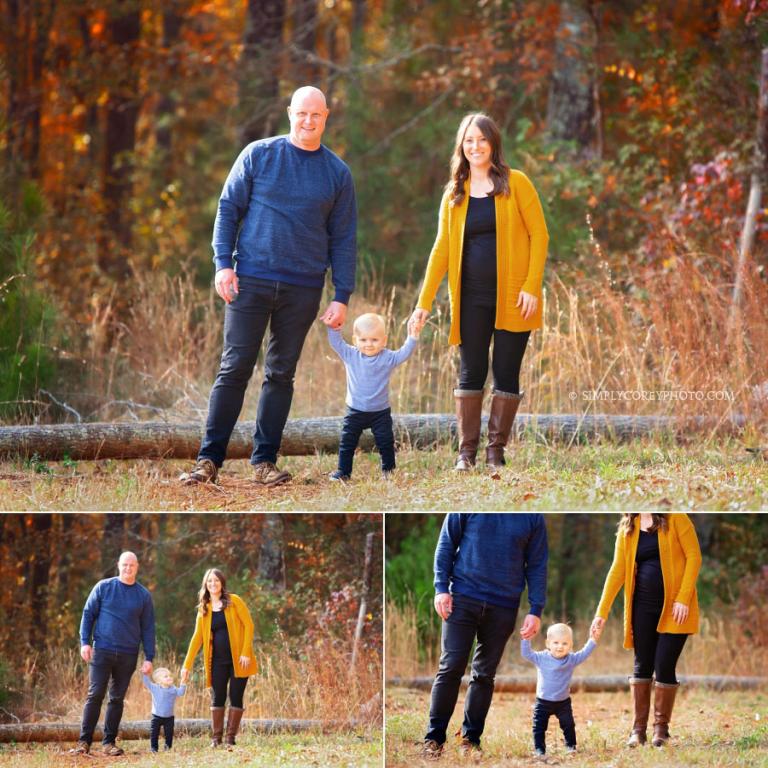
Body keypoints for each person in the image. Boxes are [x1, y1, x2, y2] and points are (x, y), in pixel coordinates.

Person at [180, 85, 357, 488]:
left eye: (316, 115)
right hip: (251, 281)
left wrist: (341, 294)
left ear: (326, 117)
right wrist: (223, 265)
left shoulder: (337, 173)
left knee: (281, 374)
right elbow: (228, 208)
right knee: (234, 368)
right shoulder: (259, 155)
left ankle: (264, 463)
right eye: (301, 113)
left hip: (303, 288)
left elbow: (344, 238)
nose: (308, 121)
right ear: (289, 113)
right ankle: (208, 461)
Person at [409, 113, 548, 475]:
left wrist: (532, 286)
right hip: (470, 298)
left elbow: (539, 236)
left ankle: (495, 452)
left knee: (506, 371)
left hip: (514, 298)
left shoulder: (516, 183)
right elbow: (441, 249)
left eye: (481, 140)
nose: (475, 147)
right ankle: (466, 453)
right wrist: (423, 303)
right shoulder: (454, 192)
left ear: (493, 144)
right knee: (470, 372)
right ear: (461, 147)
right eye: (468, 141)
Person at [421, 513, 548, 759]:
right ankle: (433, 739)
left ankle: (471, 740)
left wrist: (536, 609)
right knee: (450, 668)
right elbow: (446, 543)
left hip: (504, 605)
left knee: (484, 675)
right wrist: (440, 588)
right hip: (462, 598)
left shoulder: (533, 516)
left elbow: (537, 564)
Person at [590, 513, 702, 748]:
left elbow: (694, 557)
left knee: (664, 665)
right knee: (642, 665)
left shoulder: (677, 519)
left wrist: (683, 598)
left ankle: (661, 730)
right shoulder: (627, 530)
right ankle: (638, 730)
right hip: (641, 607)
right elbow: (617, 571)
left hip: (676, 609)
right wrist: (601, 612)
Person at [71, 551, 155, 757]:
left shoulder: (143, 595)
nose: (128, 568)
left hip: (128, 654)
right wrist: (84, 642)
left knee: (116, 699)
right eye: (125, 565)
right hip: (102, 650)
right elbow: (88, 614)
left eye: (132, 565)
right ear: (118, 565)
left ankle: (108, 743)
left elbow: (148, 628)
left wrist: (149, 657)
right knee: (95, 694)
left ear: (137, 567)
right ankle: (84, 742)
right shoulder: (103, 587)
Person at [326, 312, 419, 480]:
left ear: (384, 340)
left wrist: (412, 336)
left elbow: (404, 353)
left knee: (386, 442)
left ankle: (388, 471)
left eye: (374, 340)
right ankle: (343, 472)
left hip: (380, 413)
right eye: (363, 340)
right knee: (347, 442)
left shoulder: (387, 357)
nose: (369, 344)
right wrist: (334, 327)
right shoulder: (351, 355)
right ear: (355, 340)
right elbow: (336, 343)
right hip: (355, 411)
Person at [181, 568, 257, 748]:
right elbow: (196, 639)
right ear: (205, 585)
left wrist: (246, 652)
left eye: (216, 580)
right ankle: (216, 739)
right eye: (209, 581)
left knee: (236, 696)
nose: (213, 584)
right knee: (217, 698)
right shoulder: (204, 609)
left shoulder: (234, 601)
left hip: (239, 660)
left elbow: (249, 625)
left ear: (222, 583)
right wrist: (186, 665)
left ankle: (230, 739)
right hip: (217, 662)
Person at [521, 622, 598, 757]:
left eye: (564, 643)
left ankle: (571, 746)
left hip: (563, 702)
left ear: (570, 645)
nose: (560, 647)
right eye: (555, 643)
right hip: (543, 702)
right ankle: (539, 749)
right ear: (548, 643)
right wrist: (526, 638)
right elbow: (526, 653)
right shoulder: (541, 658)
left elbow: (584, 653)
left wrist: (592, 639)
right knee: (539, 727)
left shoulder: (571, 659)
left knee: (568, 725)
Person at [142, 667, 186, 752]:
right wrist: (146, 673)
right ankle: (154, 748)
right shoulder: (155, 688)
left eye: (170, 676)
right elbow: (146, 682)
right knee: (154, 733)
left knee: (169, 734)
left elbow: (181, 693)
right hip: (156, 716)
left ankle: (167, 748)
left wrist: (183, 681)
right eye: (166, 676)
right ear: (159, 681)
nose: (169, 677)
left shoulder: (173, 689)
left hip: (169, 717)